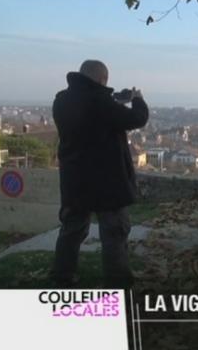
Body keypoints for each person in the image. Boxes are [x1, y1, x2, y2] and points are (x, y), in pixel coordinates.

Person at [50, 60, 149, 288]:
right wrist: (138, 99)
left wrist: (114, 101)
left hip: (75, 180)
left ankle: (62, 276)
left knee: (71, 231)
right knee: (114, 233)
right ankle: (118, 282)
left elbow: (91, 115)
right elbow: (138, 119)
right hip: (108, 183)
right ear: (103, 79)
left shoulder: (61, 100)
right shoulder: (101, 102)